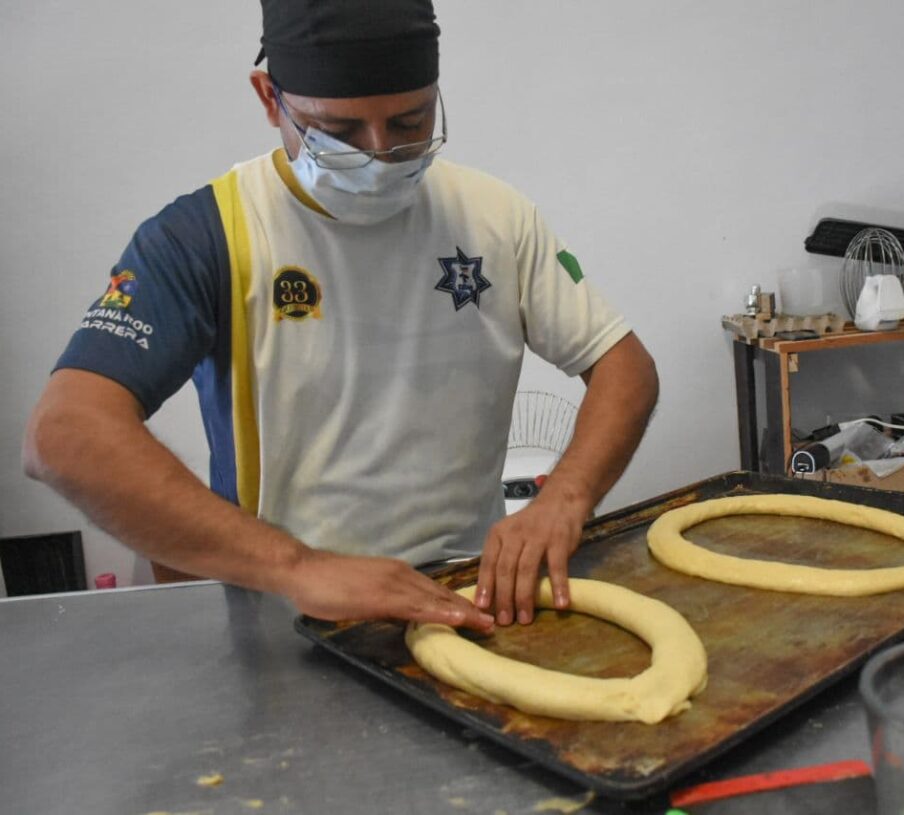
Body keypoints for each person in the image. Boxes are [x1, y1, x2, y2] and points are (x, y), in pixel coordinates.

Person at [22, 0, 658, 632]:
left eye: (409, 122)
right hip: (291, 610)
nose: (380, 155)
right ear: (270, 99)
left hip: (466, 595)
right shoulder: (205, 236)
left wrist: (566, 497)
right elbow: (64, 435)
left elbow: (623, 365)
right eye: (340, 133)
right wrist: (299, 567)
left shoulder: (494, 215)